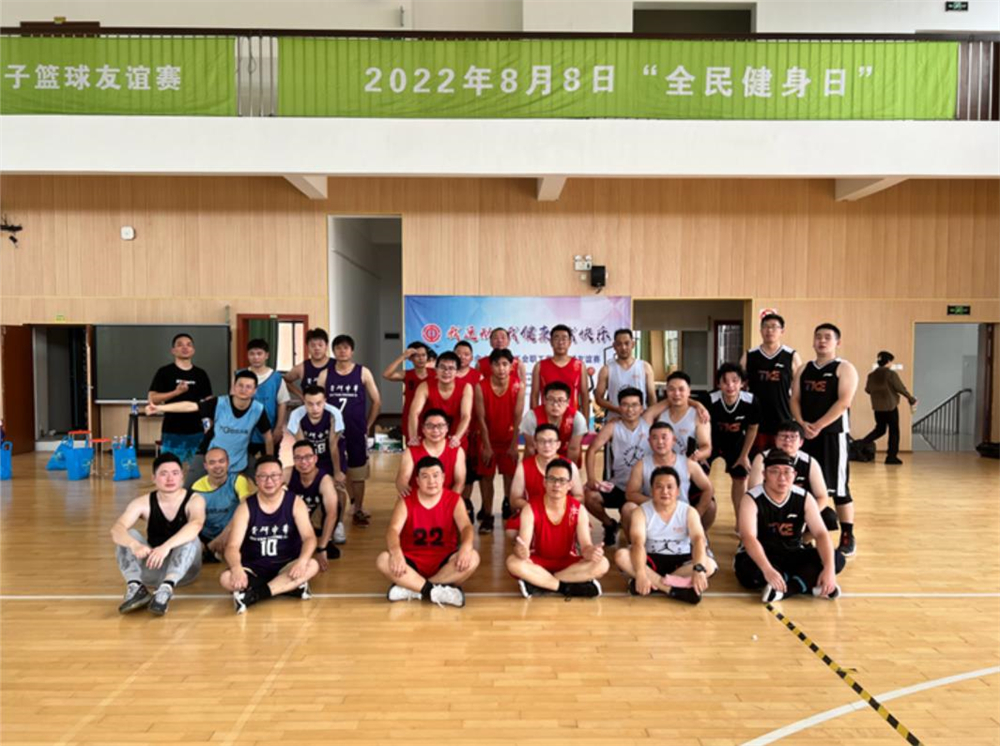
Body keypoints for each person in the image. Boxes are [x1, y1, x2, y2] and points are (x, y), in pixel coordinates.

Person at [735, 451, 845, 602]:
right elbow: (748, 537)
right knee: (749, 574)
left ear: (794, 475)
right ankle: (807, 583)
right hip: (763, 555)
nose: (782, 478)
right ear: (764, 474)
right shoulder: (751, 498)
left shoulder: (804, 497)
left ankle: (785, 590)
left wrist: (829, 570)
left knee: (837, 559)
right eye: (775, 472)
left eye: (787, 472)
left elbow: (821, 534)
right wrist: (768, 570)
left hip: (793, 552)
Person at [791, 323, 859, 557]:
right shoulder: (804, 369)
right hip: (806, 435)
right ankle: (807, 534)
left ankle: (848, 535)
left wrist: (819, 425)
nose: (822, 341)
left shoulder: (844, 368)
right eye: (818, 336)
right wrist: (802, 424)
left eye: (827, 337)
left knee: (838, 487)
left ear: (837, 342)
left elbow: (844, 402)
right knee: (807, 486)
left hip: (832, 436)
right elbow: (795, 399)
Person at [220, 456, 320, 614]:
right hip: (254, 569)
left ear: (281, 478)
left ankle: (255, 595)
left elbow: (309, 538)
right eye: (263, 476)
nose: (269, 481)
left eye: (274, 475)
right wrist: (236, 568)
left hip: (286, 566)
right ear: (256, 479)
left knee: (312, 565)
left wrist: (302, 561)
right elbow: (232, 546)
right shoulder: (245, 507)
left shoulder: (295, 502)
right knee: (226, 578)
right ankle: (289, 587)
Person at [376, 456, 479, 607]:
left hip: (443, 562)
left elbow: (466, 527)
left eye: (436, 475)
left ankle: (414, 587)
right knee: (383, 560)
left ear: (443, 477)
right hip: (411, 561)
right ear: (417, 480)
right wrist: (396, 552)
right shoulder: (405, 501)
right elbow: (393, 530)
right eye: (425, 476)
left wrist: (466, 547)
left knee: (473, 557)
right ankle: (435, 591)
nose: (431, 481)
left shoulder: (454, 499)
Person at [111, 453, 206, 615]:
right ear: (154, 478)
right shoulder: (142, 502)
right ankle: (136, 587)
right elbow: (116, 529)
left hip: (183, 572)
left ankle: (166, 590)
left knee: (191, 536)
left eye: (175, 473)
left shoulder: (195, 499)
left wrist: (166, 547)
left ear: (182, 476)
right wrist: (134, 545)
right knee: (129, 534)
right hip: (153, 569)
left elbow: (196, 524)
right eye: (164, 474)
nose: (170, 478)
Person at [147, 370, 272, 488]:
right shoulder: (219, 402)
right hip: (208, 452)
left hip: (239, 456)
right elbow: (191, 406)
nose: (243, 390)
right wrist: (159, 408)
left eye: (248, 387)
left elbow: (268, 436)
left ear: (255, 390)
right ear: (234, 387)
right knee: (188, 488)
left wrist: (270, 461)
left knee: (267, 479)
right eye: (240, 385)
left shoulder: (258, 409)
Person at [506, 458, 609, 598]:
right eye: (552, 479)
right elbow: (523, 546)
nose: (556, 485)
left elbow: (585, 547)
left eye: (562, 480)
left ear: (570, 485)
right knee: (513, 562)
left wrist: (592, 552)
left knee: (602, 563)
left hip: (568, 563)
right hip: (539, 561)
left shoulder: (578, 510)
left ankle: (541, 583)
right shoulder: (530, 508)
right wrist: (520, 551)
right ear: (544, 482)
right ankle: (565, 587)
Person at [614, 466, 717, 604]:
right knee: (621, 556)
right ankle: (673, 589)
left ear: (678, 491)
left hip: (681, 563)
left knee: (709, 565)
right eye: (659, 487)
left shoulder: (689, 511)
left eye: (670, 487)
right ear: (652, 490)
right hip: (651, 561)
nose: (665, 491)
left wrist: (699, 569)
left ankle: (654, 584)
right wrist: (641, 573)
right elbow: (637, 544)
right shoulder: (641, 512)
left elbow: (699, 540)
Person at [583, 387, 650, 547]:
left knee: (631, 516)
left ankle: (639, 541)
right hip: (619, 486)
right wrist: (591, 478)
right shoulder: (613, 426)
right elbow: (592, 450)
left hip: (642, 489)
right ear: (619, 407)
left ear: (642, 408)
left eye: (634, 405)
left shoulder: (649, 423)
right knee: (589, 497)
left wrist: (697, 405)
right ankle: (609, 524)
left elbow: (669, 401)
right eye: (625, 405)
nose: (630, 409)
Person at [327, 334, 382, 527]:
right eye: (338, 348)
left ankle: (358, 507)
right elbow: (316, 400)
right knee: (337, 470)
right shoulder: (325, 374)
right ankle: (342, 507)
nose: (342, 351)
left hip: (356, 431)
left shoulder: (362, 372)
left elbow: (376, 401)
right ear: (333, 351)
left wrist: (368, 425)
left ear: (352, 351)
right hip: (333, 432)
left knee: (357, 471)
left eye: (346, 348)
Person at [748, 420, 839, 533]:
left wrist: (807, 515)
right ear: (775, 439)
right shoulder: (762, 458)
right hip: (770, 506)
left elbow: (822, 497)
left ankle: (803, 540)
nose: (787, 440)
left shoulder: (810, 462)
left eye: (792, 437)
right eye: (783, 436)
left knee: (829, 517)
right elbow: (754, 492)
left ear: (801, 442)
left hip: (798, 507)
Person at [624, 422, 716, 531]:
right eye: (655, 438)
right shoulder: (641, 465)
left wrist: (696, 515)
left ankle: (699, 533)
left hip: (681, 514)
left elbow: (709, 488)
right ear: (649, 441)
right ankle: (636, 540)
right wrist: (657, 502)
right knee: (628, 508)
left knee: (710, 506)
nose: (660, 442)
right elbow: (630, 494)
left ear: (673, 440)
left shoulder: (688, 463)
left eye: (664, 437)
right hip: (652, 512)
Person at [473, 348, 525, 533]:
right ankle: (487, 516)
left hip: (508, 440)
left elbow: (518, 418)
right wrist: (486, 446)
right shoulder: (480, 386)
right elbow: (480, 418)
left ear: (511, 366)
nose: (501, 368)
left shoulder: (518, 386)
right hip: (487, 439)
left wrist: (514, 445)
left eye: (505, 364)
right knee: (486, 478)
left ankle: (511, 513)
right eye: (497, 364)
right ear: (490, 366)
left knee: (510, 478)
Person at [504, 423, 585, 539]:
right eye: (542, 441)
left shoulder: (570, 466)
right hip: (534, 512)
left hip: (562, 511)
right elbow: (514, 500)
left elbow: (580, 496)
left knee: (584, 530)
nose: (547, 445)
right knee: (511, 532)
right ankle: (531, 544)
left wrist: (559, 507)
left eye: (551, 441)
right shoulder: (524, 467)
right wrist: (536, 509)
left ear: (558, 444)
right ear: (535, 444)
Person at [706, 363, 760, 532]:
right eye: (725, 381)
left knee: (740, 479)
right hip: (712, 442)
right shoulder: (709, 399)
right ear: (718, 384)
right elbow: (700, 424)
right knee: (699, 475)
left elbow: (752, 428)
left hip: (736, 443)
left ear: (742, 383)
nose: (730, 385)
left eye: (735, 381)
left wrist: (744, 455)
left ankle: (740, 522)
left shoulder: (751, 401)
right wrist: (703, 451)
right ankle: (699, 520)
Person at [147, 333, 213, 469]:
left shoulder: (201, 374)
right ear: (173, 350)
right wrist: (176, 392)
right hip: (172, 431)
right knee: (170, 468)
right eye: (180, 345)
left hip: (197, 431)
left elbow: (208, 401)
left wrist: (210, 425)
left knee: (199, 470)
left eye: (189, 345)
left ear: (193, 350)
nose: (185, 347)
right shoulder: (164, 372)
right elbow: (153, 399)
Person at [740, 313, 802, 455]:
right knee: (756, 460)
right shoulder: (750, 355)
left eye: (774, 327)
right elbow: (740, 386)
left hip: (782, 417)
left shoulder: (791, 355)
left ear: (782, 331)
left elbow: (798, 389)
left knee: (781, 459)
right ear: (760, 330)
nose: (769, 330)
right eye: (766, 327)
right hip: (756, 420)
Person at [283, 440, 341, 568]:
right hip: (295, 519)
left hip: (314, 518)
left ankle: (325, 540)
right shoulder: (288, 473)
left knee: (336, 504)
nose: (303, 462)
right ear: (293, 460)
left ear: (315, 458)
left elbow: (332, 514)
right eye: (298, 458)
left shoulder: (324, 479)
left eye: (308, 457)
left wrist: (322, 548)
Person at [191, 447, 255, 562]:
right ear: (205, 466)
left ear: (228, 463)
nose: (217, 466)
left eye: (221, 461)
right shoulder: (197, 487)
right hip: (206, 536)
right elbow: (194, 519)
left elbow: (246, 510)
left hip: (231, 532)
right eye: (212, 462)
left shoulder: (238, 481)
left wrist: (221, 538)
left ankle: (214, 551)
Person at [407, 351, 473, 451]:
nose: (446, 372)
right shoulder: (424, 386)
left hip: (455, 438)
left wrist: (457, 438)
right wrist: (413, 437)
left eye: (451, 368)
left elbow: (466, 416)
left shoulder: (466, 387)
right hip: (430, 438)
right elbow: (414, 413)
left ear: (457, 371)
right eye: (442, 367)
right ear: (436, 369)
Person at [859, 350, 917, 465]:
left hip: (877, 408)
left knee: (880, 430)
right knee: (894, 431)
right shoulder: (891, 374)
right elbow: (900, 388)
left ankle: (859, 445)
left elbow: (868, 390)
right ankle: (891, 457)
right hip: (890, 407)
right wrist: (911, 398)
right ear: (889, 361)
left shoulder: (871, 375)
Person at [643, 371, 712, 463]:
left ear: (689, 391)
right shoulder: (660, 414)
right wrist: (696, 403)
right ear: (666, 391)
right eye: (671, 389)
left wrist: (697, 455)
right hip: (662, 467)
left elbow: (707, 448)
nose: (676, 393)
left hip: (688, 467)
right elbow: (647, 415)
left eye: (681, 389)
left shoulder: (699, 415)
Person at [396, 408, 466, 497]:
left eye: (440, 426)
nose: (435, 430)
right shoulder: (411, 451)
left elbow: (459, 483)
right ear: (423, 429)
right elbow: (402, 480)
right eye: (430, 426)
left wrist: (449, 501)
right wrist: (409, 496)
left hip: (446, 500)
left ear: (447, 428)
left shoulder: (457, 451)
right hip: (417, 499)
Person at [594, 329, 657, 421]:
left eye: (627, 343)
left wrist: (652, 418)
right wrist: (618, 409)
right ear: (614, 346)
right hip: (615, 421)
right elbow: (599, 398)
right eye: (619, 344)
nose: (623, 347)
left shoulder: (645, 367)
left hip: (640, 421)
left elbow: (652, 397)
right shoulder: (606, 370)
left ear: (633, 344)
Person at [520, 381, 588, 465]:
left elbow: (573, 449)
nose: (555, 405)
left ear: (568, 402)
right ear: (544, 400)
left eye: (560, 400)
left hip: (565, 458)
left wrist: (568, 470)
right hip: (539, 458)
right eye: (551, 399)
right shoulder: (531, 417)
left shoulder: (577, 418)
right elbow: (531, 448)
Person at [530, 324, 590, 419]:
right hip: (546, 420)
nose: (560, 342)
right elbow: (534, 395)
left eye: (564, 338)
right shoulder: (540, 366)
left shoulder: (579, 366)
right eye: (556, 338)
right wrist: (535, 421)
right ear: (551, 342)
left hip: (572, 419)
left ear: (570, 342)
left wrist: (585, 422)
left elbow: (584, 396)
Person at [245, 338, 290, 461]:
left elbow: (282, 403)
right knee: (245, 464)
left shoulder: (276, 377)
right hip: (245, 431)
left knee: (271, 462)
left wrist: (279, 428)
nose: (256, 357)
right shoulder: (240, 375)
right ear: (247, 355)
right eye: (252, 354)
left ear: (267, 355)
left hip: (270, 429)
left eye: (259, 353)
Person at [382, 341, 435, 443]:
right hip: (411, 416)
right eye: (417, 356)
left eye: (423, 355)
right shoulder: (407, 374)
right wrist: (402, 357)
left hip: (431, 415)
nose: (421, 358)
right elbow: (386, 374)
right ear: (410, 358)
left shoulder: (436, 373)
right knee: (413, 445)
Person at [284, 327, 334, 401]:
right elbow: (284, 381)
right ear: (307, 347)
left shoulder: (336, 365)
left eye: (320, 345)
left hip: (332, 406)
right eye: (313, 345)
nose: (317, 348)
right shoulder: (301, 368)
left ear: (326, 346)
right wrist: (301, 395)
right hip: (310, 406)